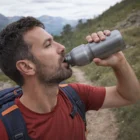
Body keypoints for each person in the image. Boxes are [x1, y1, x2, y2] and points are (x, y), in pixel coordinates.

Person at [0, 16, 140, 140]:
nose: (62, 47)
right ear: (27, 67)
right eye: (48, 45)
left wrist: (119, 62)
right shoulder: (5, 129)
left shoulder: (74, 95)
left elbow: (130, 96)